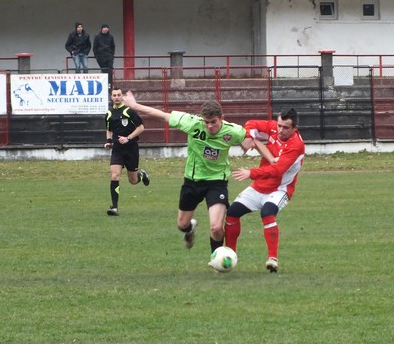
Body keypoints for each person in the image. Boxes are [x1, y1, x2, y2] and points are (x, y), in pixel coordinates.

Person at [122, 90, 248, 253]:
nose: (209, 126)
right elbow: (163, 116)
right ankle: (189, 229)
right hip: (192, 181)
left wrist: (249, 142)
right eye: (206, 122)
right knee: (182, 224)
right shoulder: (192, 123)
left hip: (217, 182)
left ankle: (215, 258)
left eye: (213, 122)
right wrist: (135, 106)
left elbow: (251, 134)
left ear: (221, 118)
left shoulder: (233, 131)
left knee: (216, 227)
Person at [225, 109, 305, 273]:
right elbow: (251, 124)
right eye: (279, 125)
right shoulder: (273, 127)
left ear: (295, 128)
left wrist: (251, 173)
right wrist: (248, 136)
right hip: (260, 186)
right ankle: (230, 256)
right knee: (232, 213)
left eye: (286, 128)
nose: (280, 130)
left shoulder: (296, 146)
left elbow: (277, 170)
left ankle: (272, 259)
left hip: (280, 189)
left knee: (267, 212)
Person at [104, 88, 150, 216]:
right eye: (114, 95)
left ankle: (142, 175)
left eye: (119, 95)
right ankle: (114, 207)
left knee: (133, 181)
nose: (117, 97)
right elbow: (109, 129)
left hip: (131, 149)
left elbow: (141, 128)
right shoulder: (109, 114)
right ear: (111, 97)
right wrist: (108, 141)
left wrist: (128, 138)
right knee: (115, 175)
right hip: (117, 150)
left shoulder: (129, 111)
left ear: (122, 96)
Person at [93, 23, 116, 87]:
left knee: (110, 71)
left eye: (107, 28)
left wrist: (112, 55)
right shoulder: (97, 37)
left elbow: (113, 46)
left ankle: (110, 86)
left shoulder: (110, 37)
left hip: (109, 56)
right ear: (102, 29)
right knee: (104, 71)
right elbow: (95, 47)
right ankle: (104, 85)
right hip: (101, 57)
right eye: (104, 28)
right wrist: (96, 56)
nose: (106, 29)